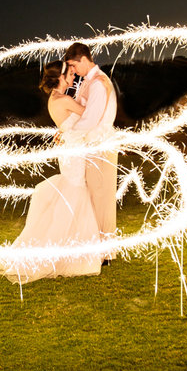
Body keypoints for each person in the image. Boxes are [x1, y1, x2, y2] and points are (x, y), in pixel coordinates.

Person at [0, 61, 102, 283]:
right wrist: (98, 91)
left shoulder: (55, 100)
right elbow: (92, 115)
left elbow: (68, 123)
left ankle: (71, 249)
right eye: (70, 75)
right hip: (73, 153)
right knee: (75, 192)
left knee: (73, 192)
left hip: (70, 150)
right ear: (60, 78)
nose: (73, 78)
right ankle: (61, 252)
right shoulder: (65, 99)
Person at [62, 42, 119, 243]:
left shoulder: (98, 83)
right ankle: (97, 247)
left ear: (84, 60)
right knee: (95, 197)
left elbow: (90, 119)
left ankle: (105, 251)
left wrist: (69, 135)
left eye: (73, 66)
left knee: (101, 198)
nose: (73, 71)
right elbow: (79, 111)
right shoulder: (89, 81)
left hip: (100, 148)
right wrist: (64, 129)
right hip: (93, 147)